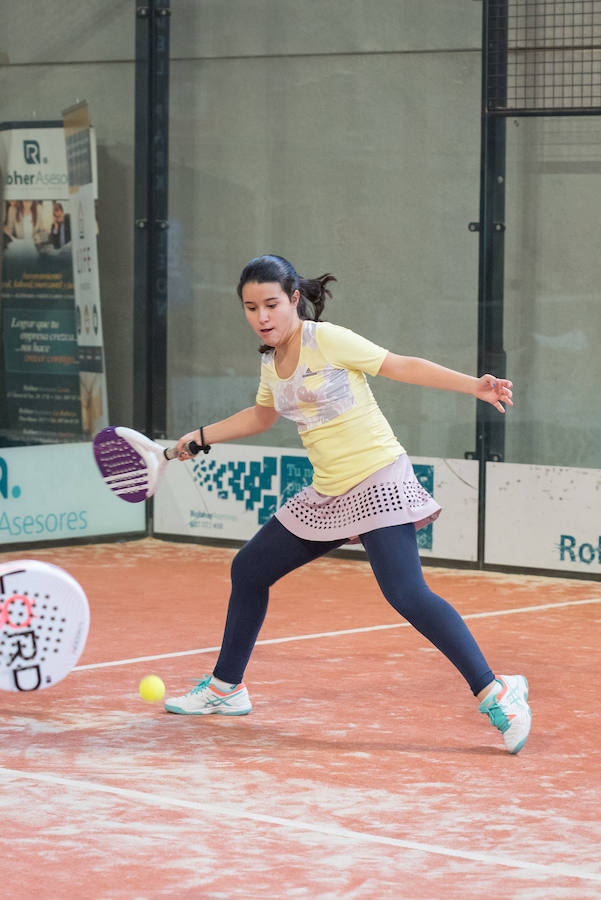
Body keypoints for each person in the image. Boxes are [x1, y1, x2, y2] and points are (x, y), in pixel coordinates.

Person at [165, 254, 532, 754]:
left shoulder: (327, 339)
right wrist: (200, 437)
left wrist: (475, 386)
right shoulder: (271, 363)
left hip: (378, 478)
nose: (262, 316)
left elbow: (400, 365)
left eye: (271, 304)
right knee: (249, 570)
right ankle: (226, 689)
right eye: (251, 308)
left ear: (294, 299)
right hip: (330, 491)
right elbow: (260, 416)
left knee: (406, 593)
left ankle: (496, 692)